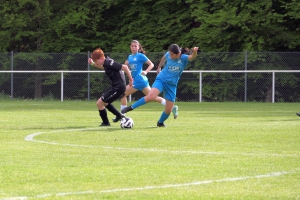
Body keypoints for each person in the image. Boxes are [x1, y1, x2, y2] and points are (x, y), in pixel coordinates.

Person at [121, 44, 199, 127]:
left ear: (178, 54)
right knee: (151, 96)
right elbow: (164, 58)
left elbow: (192, 57)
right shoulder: (168, 54)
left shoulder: (183, 58)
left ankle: (160, 122)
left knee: (168, 110)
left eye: (172, 54)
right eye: (169, 53)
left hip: (172, 85)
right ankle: (130, 108)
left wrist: (194, 52)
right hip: (161, 80)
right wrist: (159, 67)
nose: (170, 55)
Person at [112, 40, 178, 122]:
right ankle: (172, 107)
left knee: (122, 94)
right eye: (132, 46)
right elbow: (125, 66)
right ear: (130, 47)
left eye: (135, 46)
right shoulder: (129, 57)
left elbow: (151, 64)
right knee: (153, 97)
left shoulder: (140, 56)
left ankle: (121, 116)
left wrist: (146, 71)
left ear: (139, 47)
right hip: (142, 81)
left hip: (139, 80)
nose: (134, 48)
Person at [88, 48, 133, 126]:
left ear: (101, 58)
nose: (96, 63)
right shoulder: (106, 63)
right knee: (104, 102)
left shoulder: (109, 62)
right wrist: (92, 64)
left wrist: (131, 79)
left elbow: (125, 67)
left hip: (118, 87)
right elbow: (103, 67)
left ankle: (106, 123)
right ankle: (119, 116)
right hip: (115, 86)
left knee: (99, 103)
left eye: (96, 61)